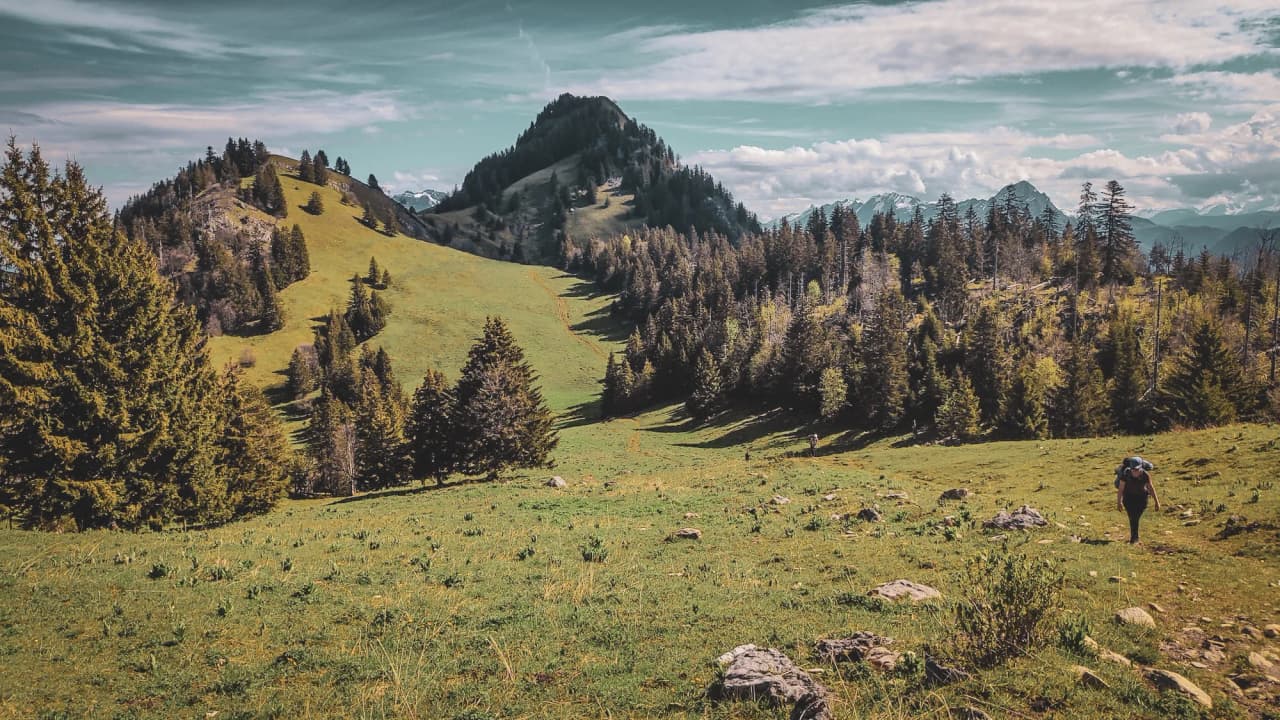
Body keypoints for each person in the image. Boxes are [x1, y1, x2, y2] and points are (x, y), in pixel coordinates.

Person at [1116, 457, 1161, 544]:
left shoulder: (1145, 475)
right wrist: (1119, 502)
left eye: (1136, 469)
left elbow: (1151, 488)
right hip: (1129, 498)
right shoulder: (1125, 474)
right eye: (1133, 469)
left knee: (1136, 517)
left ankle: (1134, 537)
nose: (1134, 471)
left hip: (1142, 498)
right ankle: (1134, 539)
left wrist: (1157, 502)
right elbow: (1121, 489)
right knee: (1133, 518)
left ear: (1141, 467)